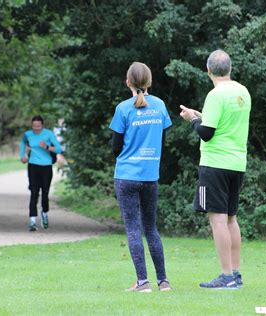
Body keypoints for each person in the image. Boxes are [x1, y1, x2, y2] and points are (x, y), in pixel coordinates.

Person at [180, 49, 251, 289]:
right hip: (237, 163)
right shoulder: (243, 92)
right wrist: (202, 116)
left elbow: (206, 133)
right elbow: (224, 123)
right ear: (230, 69)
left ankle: (225, 275)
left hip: (215, 164)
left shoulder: (215, 94)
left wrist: (192, 118)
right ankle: (236, 273)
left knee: (218, 220)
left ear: (208, 70)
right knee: (231, 219)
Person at [109, 62, 172, 293]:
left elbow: (116, 148)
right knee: (151, 228)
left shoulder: (123, 109)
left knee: (133, 230)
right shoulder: (160, 106)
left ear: (128, 82)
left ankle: (142, 282)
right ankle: (163, 281)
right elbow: (160, 140)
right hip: (150, 176)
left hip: (126, 175)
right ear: (150, 82)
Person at [20, 115, 62, 231]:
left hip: (46, 167)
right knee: (34, 192)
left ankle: (44, 213)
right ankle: (32, 221)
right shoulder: (28, 134)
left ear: (42, 125)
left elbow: (59, 149)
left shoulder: (48, 134)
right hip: (33, 166)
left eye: (38, 126)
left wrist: (47, 147)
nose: (36, 128)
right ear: (31, 126)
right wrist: (22, 156)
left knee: (45, 193)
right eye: (34, 126)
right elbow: (22, 143)